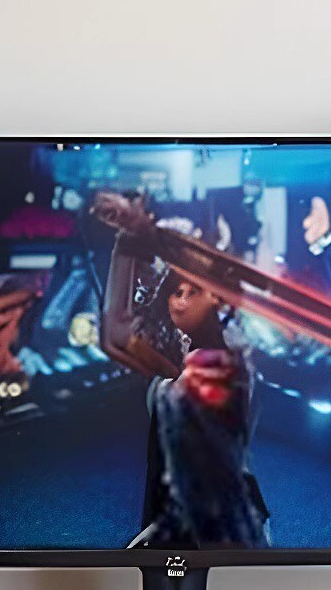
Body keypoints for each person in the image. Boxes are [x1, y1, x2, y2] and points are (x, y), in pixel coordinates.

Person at [93, 192, 270, 549]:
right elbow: (115, 338)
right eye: (176, 291)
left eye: (193, 291)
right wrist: (128, 241)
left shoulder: (219, 359)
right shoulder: (179, 348)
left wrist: (138, 234)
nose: (182, 302)